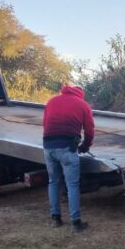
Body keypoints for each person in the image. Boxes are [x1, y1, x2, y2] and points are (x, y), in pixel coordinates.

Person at [42, 85, 95, 232]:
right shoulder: (83, 105)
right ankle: (76, 223)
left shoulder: (51, 101)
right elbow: (90, 130)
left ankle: (55, 219)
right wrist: (85, 146)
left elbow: (45, 124)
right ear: (81, 94)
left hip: (48, 147)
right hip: (67, 148)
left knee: (53, 182)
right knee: (72, 185)